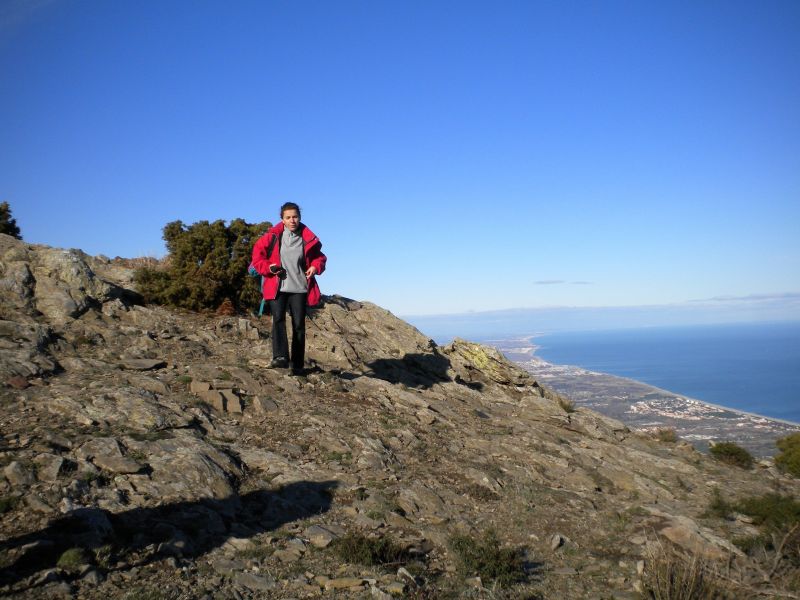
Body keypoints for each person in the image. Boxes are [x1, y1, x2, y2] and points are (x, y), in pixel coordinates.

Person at [251, 202, 327, 375]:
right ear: (282, 219)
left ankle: (298, 364)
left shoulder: (307, 237)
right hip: (277, 286)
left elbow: (320, 258)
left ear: (299, 217)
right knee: (278, 319)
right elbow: (257, 257)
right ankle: (280, 357)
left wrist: (315, 267)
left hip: (299, 287)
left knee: (299, 325)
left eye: (295, 217)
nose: (292, 220)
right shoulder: (272, 237)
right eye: (288, 217)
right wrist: (269, 267)